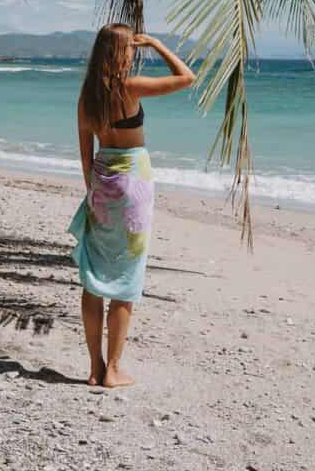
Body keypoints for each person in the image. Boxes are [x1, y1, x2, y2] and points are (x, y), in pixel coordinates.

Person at [68, 24, 196, 388]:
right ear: (121, 53)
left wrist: (93, 189)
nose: (134, 55)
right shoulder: (130, 86)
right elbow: (187, 77)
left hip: (100, 183)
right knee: (126, 276)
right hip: (133, 186)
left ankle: (94, 366)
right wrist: (157, 44)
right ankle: (114, 369)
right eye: (131, 49)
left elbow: (85, 155)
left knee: (94, 277)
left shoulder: (86, 98)